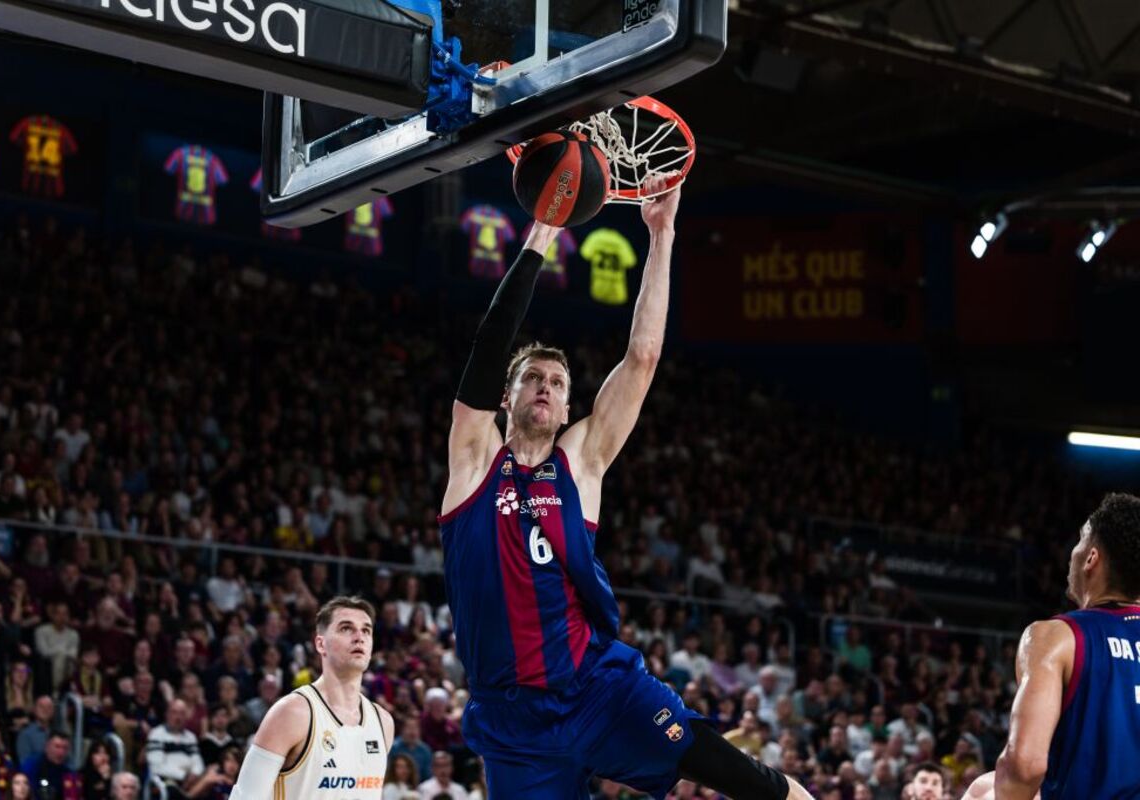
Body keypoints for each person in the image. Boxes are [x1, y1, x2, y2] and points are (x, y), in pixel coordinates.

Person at [438, 174, 810, 800]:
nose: (546, 389)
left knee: (742, 777)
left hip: (595, 689)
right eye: (533, 378)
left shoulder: (582, 461)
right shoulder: (474, 462)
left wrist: (662, 235)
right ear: (508, 397)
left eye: (557, 383)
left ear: (566, 409)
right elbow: (488, 345)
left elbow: (641, 359)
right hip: (511, 721)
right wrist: (543, 232)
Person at [961, 493, 1140, 800]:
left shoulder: (1055, 637)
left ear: (1091, 558)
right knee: (983, 788)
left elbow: (1024, 768)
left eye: (1080, 540)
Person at [229, 597, 393, 800]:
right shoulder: (292, 713)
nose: (359, 637)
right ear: (320, 644)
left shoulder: (383, 722)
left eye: (366, 630)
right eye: (346, 628)